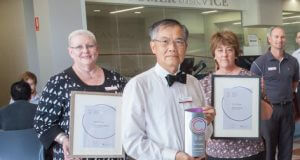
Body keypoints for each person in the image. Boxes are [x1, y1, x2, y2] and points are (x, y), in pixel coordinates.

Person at [122, 19, 215, 160]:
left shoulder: (194, 82)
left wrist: (206, 122)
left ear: (185, 47)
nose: (172, 48)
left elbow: (204, 134)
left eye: (178, 41)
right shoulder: (138, 85)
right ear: (153, 47)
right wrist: (173, 156)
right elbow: (132, 142)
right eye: (164, 41)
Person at [33, 29, 127, 160]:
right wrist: (64, 140)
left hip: (113, 154)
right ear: (71, 52)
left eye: (90, 46)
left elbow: (130, 115)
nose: (85, 51)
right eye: (78, 47)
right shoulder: (58, 82)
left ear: (97, 49)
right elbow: (42, 123)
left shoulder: (117, 80)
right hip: (74, 156)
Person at [200, 31, 273, 160]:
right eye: (219, 50)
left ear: (235, 54)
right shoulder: (203, 84)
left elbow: (268, 114)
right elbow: (200, 123)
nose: (224, 54)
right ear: (214, 55)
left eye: (229, 50)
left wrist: (254, 98)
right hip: (216, 152)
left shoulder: (252, 79)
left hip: (250, 150)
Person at [250, 26, 299, 160]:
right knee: (268, 150)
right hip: (268, 111)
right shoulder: (259, 63)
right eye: (276, 37)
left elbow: (294, 84)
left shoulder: (293, 62)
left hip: (288, 109)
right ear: (269, 39)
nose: (280, 40)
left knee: (287, 147)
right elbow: (252, 89)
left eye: (282, 37)